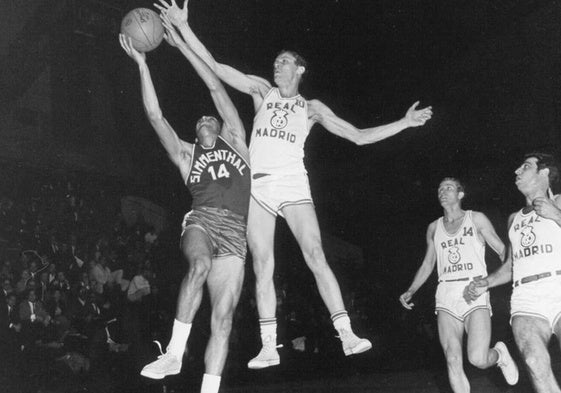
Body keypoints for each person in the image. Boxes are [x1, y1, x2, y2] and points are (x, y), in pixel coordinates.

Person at [155, 0, 433, 369]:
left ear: (300, 69)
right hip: (258, 188)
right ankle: (269, 346)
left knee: (315, 254)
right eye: (276, 61)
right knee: (263, 265)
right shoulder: (260, 91)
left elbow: (359, 136)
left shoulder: (311, 107)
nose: (277, 65)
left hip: (292, 183)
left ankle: (347, 333)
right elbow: (217, 68)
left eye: (284, 61)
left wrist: (404, 123)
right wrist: (185, 30)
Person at [119, 12, 251, 392]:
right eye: (200, 122)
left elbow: (214, 86)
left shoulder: (237, 140)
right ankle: (174, 353)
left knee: (223, 320)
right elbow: (155, 115)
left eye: (212, 118)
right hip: (203, 221)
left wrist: (181, 47)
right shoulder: (186, 155)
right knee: (199, 265)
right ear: (196, 132)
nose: (206, 119)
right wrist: (143, 65)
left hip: (237, 231)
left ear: (221, 126)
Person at [398, 177, 519, 392]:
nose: (442, 192)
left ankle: (499, 355)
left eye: (448, 188)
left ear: (460, 194)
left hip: (474, 290)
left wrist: (512, 277)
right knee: (453, 359)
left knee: (478, 358)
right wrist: (411, 289)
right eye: (440, 189)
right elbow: (428, 263)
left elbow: (502, 251)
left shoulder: (476, 219)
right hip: (446, 293)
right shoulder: (434, 228)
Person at [467, 152, 561, 393]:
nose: (517, 171)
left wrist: (556, 215)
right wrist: (485, 282)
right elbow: (511, 266)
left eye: (526, 166)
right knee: (533, 362)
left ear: (544, 173)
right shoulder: (513, 219)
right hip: (526, 298)